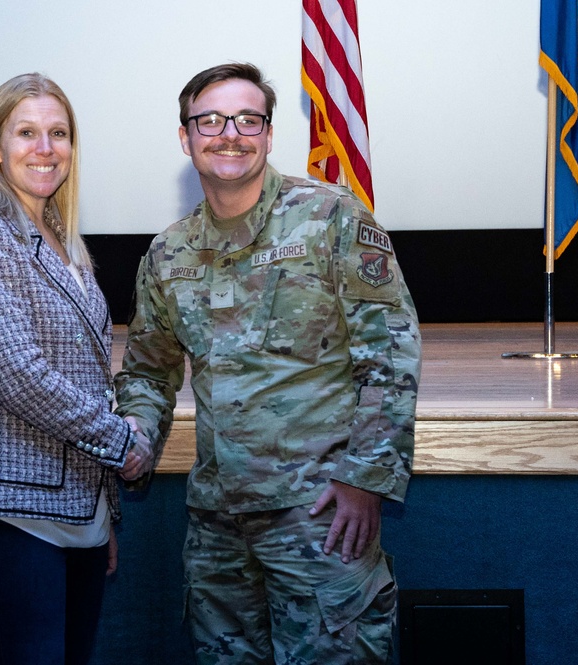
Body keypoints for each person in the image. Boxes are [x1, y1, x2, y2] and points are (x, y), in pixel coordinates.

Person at [115, 63, 422, 664]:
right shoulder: (167, 253)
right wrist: (135, 440)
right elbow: (149, 373)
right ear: (187, 138)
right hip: (216, 526)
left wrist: (364, 479)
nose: (229, 133)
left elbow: (389, 351)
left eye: (247, 119)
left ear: (268, 134)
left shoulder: (332, 219)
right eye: (210, 120)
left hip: (320, 514)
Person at [0, 73, 151, 665]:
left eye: (59, 133)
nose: (45, 147)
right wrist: (121, 444)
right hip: (10, 515)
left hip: (76, 516)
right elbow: (19, 375)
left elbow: (85, 380)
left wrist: (103, 510)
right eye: (26, 132)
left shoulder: (65, 244)